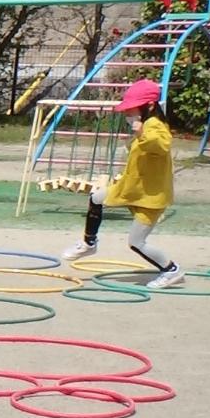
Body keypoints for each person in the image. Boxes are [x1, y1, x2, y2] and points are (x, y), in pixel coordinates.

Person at [63, 80, 183, 287]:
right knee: (96, 198)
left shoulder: (156, 126)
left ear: (150, 107)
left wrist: (141, 132)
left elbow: (161, 144)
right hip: (131, 189)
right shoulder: (146, 125)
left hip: (150, 197)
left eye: (131, 110)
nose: (127, 115)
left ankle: (171, 270)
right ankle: (89, 243)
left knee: (136, 243)